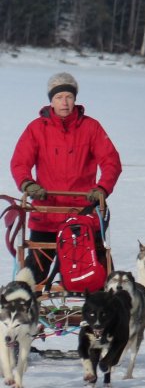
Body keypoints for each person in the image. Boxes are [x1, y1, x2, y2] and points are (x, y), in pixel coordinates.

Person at [10, 72, 122, 283]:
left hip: (83, 213)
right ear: (51, 100)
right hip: (46, 213)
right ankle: (24, 308)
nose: (65, 102)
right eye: (59, 97)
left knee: (98, 272)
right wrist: (27, 183)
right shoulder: (36, 128)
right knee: (34, 275)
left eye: (69, 97)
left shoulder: (91, 127)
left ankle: (105, 309)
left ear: (75, 99)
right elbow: (19, 162)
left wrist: (102, 189)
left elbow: (111, 162)